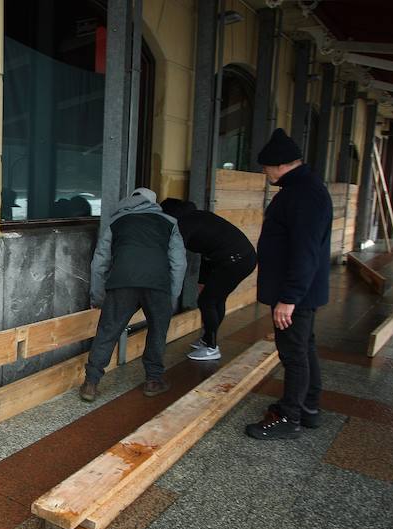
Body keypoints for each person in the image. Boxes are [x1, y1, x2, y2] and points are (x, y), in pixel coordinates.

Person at [245, 128, 333, 440]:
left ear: (282, 165)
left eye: (267, 167)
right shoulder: (303, 189)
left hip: (295, 293)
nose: (265, 172)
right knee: (304, 347)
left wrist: (289, 298)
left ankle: (289, 417)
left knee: (293, 354)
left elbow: (305, 251)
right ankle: (308, 407)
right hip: (299, 291)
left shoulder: (303, 195)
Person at [79, 188, 187, 401]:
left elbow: (100, 262)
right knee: (157, 331)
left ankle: (90, 383)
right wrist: (172, 296)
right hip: (157, 284)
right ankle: (153, 381)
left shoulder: (116, 221)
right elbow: (179, 263)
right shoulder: (169, 223)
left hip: (122, 282)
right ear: (154, 202)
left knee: (107, 331)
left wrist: (98, 297)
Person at [160, 198, 256, 361]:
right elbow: (206, 251)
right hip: (242, 258)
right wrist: (202, 281)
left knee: (207, 301)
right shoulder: (199, 216)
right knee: (217, 299)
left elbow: (176, 251)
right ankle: (208, 340)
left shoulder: (184, 223)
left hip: (235, 261)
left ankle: (211, 347)